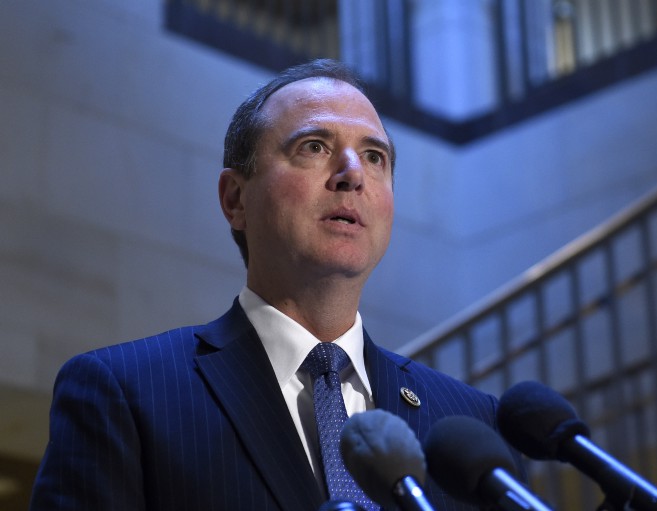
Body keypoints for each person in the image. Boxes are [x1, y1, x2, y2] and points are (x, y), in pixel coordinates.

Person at [30, 59, 519, 511]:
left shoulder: (471, 426)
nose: (353, 174)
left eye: (375, 157)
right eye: (314, 147)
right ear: (235, 199)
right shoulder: (125, 394)